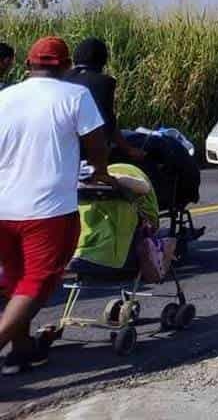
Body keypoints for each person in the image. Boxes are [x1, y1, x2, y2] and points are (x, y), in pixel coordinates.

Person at [0, 37, 112, 374]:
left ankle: (22, 350)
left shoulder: (4, 97)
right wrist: (101, 172)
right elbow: (97, 143)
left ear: (26, 66)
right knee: (38, 281)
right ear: (65, 67)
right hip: (48, 208)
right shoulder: (75, 95)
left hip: (4, 205)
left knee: (16, 280)